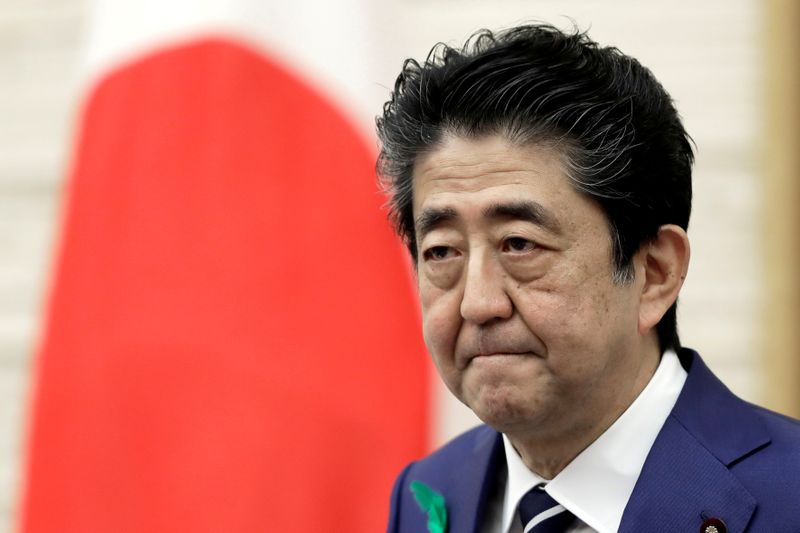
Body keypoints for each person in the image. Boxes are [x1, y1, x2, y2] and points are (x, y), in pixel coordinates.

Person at [376, 24, 800, 533]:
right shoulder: (429, 492)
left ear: (655, 273)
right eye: (442, 251)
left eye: (520, 245)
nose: (477, 303)